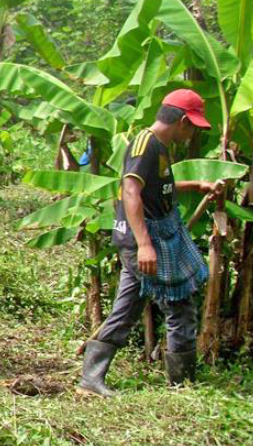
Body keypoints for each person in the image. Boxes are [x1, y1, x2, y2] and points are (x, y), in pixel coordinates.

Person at [78, 89, 223, 397]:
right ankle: (182, 384)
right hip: (143, 240)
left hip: (143, 239)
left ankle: (91, 379)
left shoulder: (159, 146)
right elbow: (131, 191)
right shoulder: (146, 145)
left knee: (128, 307)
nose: (193, 134)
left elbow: (158, 187)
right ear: (183, 121)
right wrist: (145, 245)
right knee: (179, 305)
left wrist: (196, 185)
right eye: (194, 127)